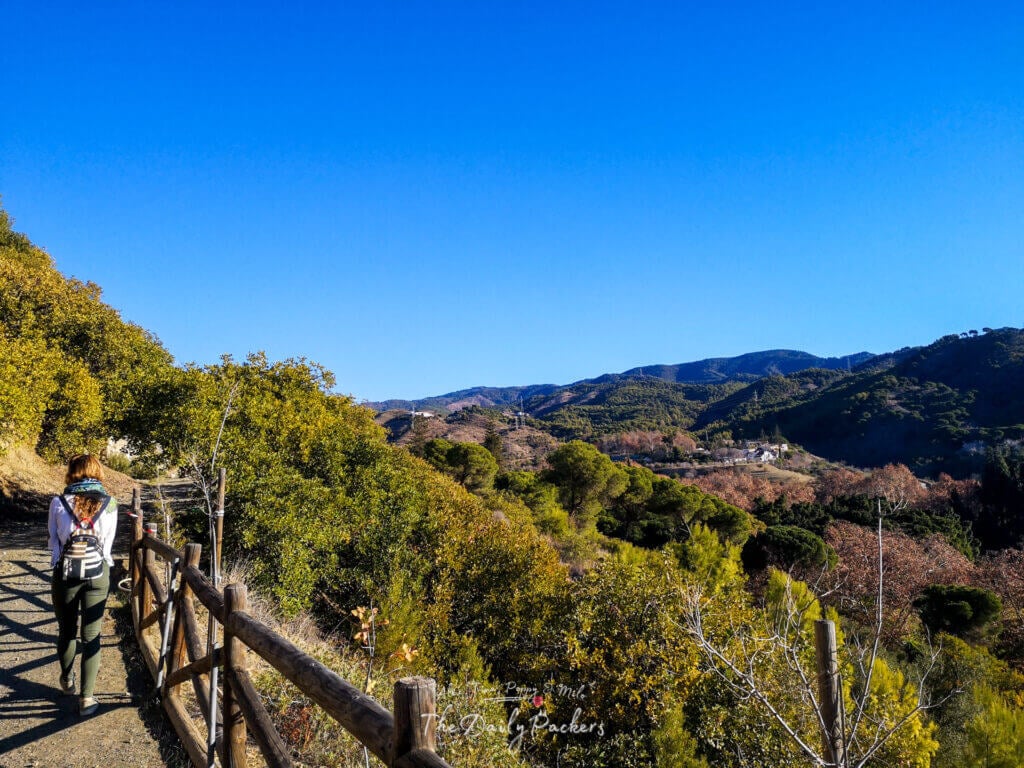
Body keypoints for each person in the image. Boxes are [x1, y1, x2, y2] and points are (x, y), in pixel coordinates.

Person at [47, 454, 118, 716]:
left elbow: (53, 543)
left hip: (65, 574)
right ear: (97, 472)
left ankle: (67, 680)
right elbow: (108, 547)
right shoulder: (110, 504)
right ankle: (87, 699)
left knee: (66, 631)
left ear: (72, 472)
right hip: (97, 574)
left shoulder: (58, 502)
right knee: (92, 636)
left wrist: (60, 564)